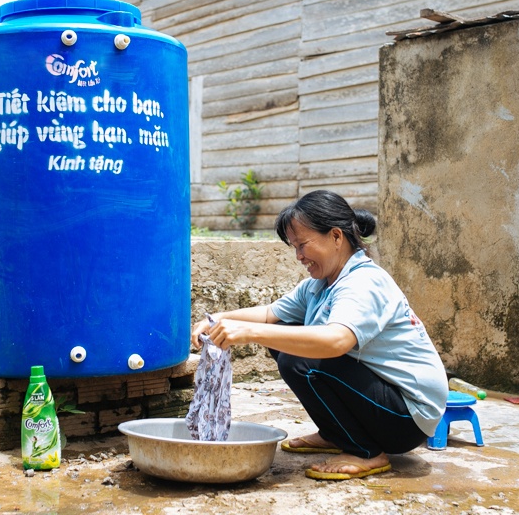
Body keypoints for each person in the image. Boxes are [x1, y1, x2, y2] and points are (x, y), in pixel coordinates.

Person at [191, 190, 448, 481]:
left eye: (303, 245)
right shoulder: (320, 284)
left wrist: (249, 333)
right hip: (384, 403)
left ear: (336, 237)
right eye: (294, 247)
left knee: (298, 357)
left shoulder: (363, 282)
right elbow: (270, 314)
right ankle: (335, 434)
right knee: (286, 337)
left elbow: (337, 341)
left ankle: (365, 451)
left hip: (407, 418)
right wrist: (216, 320)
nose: (299, 256)